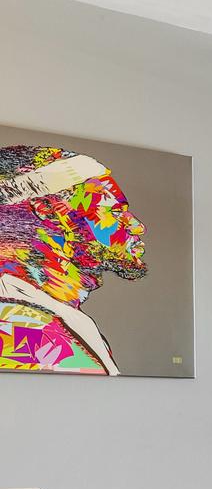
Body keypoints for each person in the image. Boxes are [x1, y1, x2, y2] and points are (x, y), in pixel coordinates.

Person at [0, 144, 147, 373]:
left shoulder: (53, 319)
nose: (137, 227)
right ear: (49, 209)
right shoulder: (26, 332)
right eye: (115, 212)